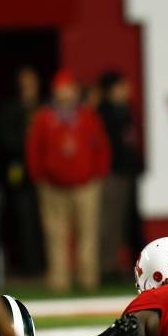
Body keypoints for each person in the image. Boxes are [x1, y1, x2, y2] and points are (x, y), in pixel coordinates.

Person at [26, 69, 111, 293]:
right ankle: (59, 282)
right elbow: (34, 149)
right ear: (55, 91)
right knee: (55, 235)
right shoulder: (44, 118)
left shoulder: (87, 116)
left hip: (86, 185)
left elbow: (101, 146)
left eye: (69, 89)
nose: (65, 94)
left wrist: (97, 174)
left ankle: (88, 280)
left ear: (75, 91)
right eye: (61, 89)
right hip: (52, 187)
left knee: (88, 235)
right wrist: (40, 178)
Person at [0, 67, 45, 278]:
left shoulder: (44, 108)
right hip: (21, 174)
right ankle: (29, 267)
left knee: (46, 222)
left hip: (45, 174)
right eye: (24, 82)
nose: (28, 86)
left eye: (31, 81)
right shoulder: (9, 109)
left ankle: (45, 266)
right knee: (24, 219)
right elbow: (5, 139)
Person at [97, 71, 144, 283]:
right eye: (121, 87)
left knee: (129, 222)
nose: (126, 91)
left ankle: (128, 267)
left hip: (128, 173)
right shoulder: (102, 113)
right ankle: (108, 267)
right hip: (113, 174)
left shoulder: (126, 111)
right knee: (111, 222)